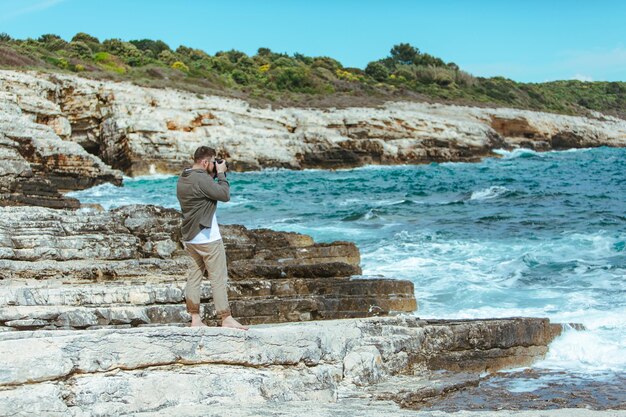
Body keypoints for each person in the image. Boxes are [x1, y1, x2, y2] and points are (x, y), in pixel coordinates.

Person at [176, 146, 248, 330]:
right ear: (205, 162)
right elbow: (224, 195)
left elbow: (205, 189)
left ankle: (195, 320)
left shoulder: (184, 177)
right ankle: (226, 318)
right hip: (208, 237)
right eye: (212, 162)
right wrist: (222, 175)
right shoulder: (202, 179)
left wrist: (214, 175)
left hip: (191, 237)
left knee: (194, 278)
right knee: (218, 278)